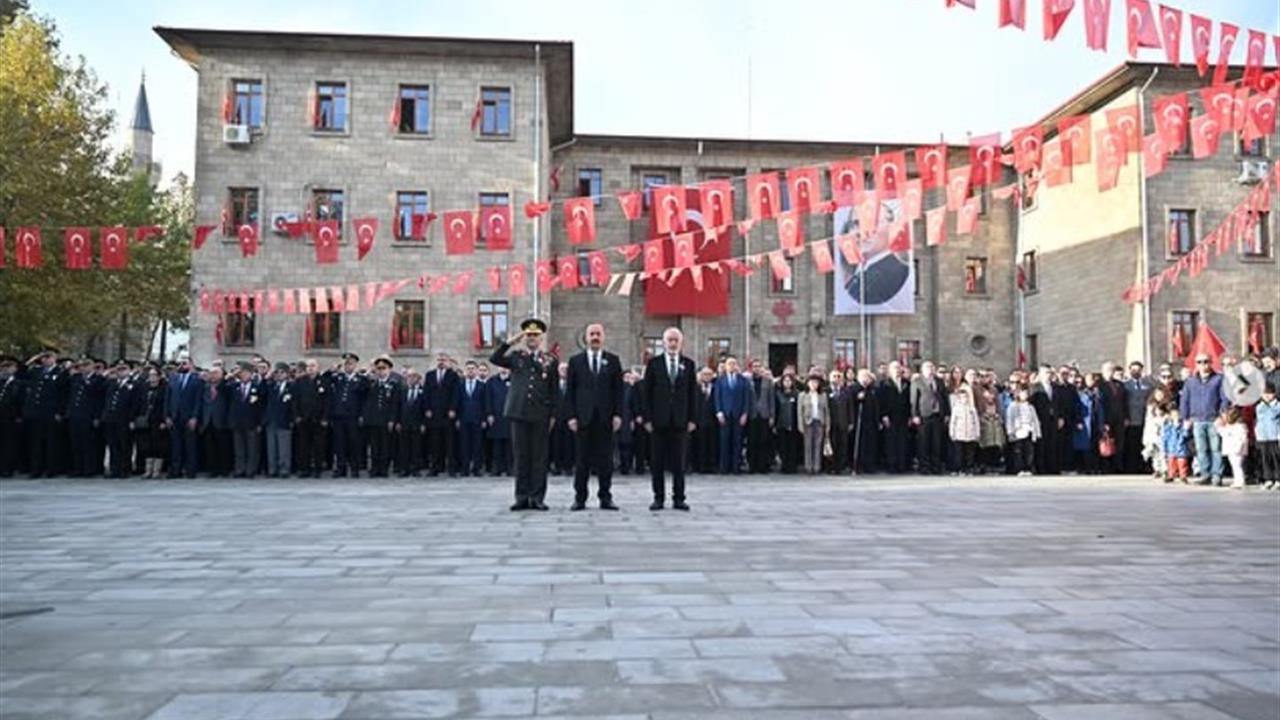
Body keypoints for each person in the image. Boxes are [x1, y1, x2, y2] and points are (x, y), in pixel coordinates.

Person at [490, 318, 559, 511]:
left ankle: (537, 497)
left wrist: (553, 414)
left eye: (535, 336)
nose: (532, 339)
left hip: (541, 414)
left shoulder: (549, 360)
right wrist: (511, 342)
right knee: (521, 457)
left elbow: (554, 390)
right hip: (519, 412)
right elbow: (494, 358)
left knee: (539, 457)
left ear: (541, 338)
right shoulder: (516, 356)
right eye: (528, 335)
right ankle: (521, 496)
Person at [565, 322, 624, 510]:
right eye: (592, 334)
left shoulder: (613, 360)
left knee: (605, 460)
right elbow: (570, 392)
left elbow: (618, 391)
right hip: (583, 418)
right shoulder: (575, 361)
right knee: (581, 460)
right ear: (586, 337)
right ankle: (580, 498)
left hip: (606, 418)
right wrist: (571, 416)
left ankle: (605, 497)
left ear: (603, 337)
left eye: (598, 334)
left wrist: (618, 414)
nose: (595, 337)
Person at [641, 327, 697, 511]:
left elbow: (692, 394)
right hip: (658, 421)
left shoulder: (688, 364)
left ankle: (679, 498)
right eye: (670, 340)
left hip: (680, 421)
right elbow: (646, 393)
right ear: (664, 342)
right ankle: (658, 497)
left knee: (679, 463)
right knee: (657, 462)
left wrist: (692, 418)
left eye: (676, 340)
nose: (673, 343)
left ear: (681, 343)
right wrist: (647, 419)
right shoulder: (654, 364)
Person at [1179, 353, 1226, 486]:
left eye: (1206, 361)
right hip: (1197, 420)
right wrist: (1185, 418)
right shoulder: (1190, 381)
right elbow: (1185, 401)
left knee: (1216, 449)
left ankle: (1217, 475)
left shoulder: (1219, 379)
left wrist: (1222, 415)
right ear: (1196, 364)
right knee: (1201, 449)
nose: (1203, 365)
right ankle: (1205, 474)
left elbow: (1224, 399)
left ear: (1211, 363)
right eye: (1199, 362)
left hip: (1213, 419)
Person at [21, 350, 68, 478]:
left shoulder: (61, 372)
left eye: (48, 357)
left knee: (51, 442)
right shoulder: (36, 371)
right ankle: (36, 469)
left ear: (55, 358)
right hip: (36, 412)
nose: (45, 360)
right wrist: (31, 360)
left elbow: (63, 394)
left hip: (51, 412)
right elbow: (21, 373)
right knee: (36, 442)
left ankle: (51, 469)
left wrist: (59, 411)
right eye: (43, 358)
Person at [327, 353, 367, 478]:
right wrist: (331, 371)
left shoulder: (361, 380)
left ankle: (354, 468)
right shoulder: (338, 378)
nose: (348, 366)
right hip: (339, 416)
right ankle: (340, 468)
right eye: (346, 364)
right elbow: (324, 381)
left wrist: (362, 415)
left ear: (355, 365)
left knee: (354, 443)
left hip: (353, 416)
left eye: (350, 364)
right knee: (339, 443)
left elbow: (364, 400)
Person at [165, 355, 204, 478]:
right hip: (175, 416)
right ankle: (176, 470)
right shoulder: (173, 379)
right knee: (176, 445)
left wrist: (194, 417)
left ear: (191, 365)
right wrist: (167, 415)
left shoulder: (197, 380)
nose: (182, 365)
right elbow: (168, 398)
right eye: (180, 363)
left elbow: (198, 400)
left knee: (190, 445)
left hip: (189, 417)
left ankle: (190, 471)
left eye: (185, 363)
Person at [67, 358, 106, 477]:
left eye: (86, 365)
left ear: (92, 367)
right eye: (82, 366)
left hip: (88, 416)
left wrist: (96, 417)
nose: (83, 368)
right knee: (76, 443)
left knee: (88, 444)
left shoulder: (98, 379)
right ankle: (78, 468)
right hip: (75, 414)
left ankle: (89, 469)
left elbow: (99, 399)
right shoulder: (76, 378)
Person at [363, 355, 401, 478]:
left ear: (389, 369)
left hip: (386, 420)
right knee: (374, 446)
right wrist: (369, 371)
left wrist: (392, 419)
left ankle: (384, 469)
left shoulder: (394, 384)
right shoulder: (372, 383)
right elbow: (364, 396)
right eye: (378, 368)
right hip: (373, 419)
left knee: (385, 446)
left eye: (383, 368)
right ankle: (374, 468)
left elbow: (395, 404)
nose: (381, 371)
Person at [713, 356, 751, 475]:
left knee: (737, 442)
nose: (731, 366)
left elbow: (746, 398)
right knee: (724, 442)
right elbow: (717, 397)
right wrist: (719, 413)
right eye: (729, 364)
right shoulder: (720, 380)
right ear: (725, 366)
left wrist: (745, 413)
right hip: (725, 414)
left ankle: (736, 467)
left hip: (738, 415)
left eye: (734, 364)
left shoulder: (743, 380)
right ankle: (724, 467)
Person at [423, 353, 459, 477]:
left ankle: (451, 468)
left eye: (443, 360)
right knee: (435, 442)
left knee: (450, 442)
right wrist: (427, 408)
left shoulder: (453, 375)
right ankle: (436, 467)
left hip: (447, 413)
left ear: (448, 361)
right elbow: (426, 393)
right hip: (434, 413)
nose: (441, 362)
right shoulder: (430, 375)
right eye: (439, 360)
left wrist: (453, 409)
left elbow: (456, 394)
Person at [911, 361, 950, 475]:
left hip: (937, 415)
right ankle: (924, 467)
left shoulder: (939, 381)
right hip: (924, 415)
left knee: (936, 442)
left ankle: (936, 466)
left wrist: (947, 413)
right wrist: (915, 415)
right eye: (927, 367)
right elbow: (914, 400)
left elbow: (944, 397)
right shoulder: (917, 382)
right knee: (924, 442)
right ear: (923, 370)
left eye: (932, 367)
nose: (930, 369)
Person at [227, 361, 264, 478]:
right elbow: (222, 388)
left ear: (249, 373)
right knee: (239, 448)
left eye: (243, 372)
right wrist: (232, 376)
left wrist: (259, 422)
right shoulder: (234, 387)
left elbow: (261, 407)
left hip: (252, 421)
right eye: (240, 373)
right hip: (237, 422)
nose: (241, 375)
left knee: (252, 448)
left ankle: (250, 470)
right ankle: (240, 469)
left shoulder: (256, 387)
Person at [291, 360, 327, 478]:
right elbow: (295, 400)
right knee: (303, 445)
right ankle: (304, 469)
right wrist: (296, 416)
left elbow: (328, 401)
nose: (310, 368)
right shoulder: (299, 382)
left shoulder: (324, 381)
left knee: (319, 446)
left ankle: (317, 469)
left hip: (318, 419)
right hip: (303, 418)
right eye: (308, 366)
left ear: (318, 367)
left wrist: (325, 417)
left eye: (313, 366)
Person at [197, 365, 231, 477]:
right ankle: (213, 469)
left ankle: (224, 469)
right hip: (208, 420)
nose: (213, 375)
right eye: (211, 373)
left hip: (221, 421)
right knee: (210, 447)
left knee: (224, 446)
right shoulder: (205, 387)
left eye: (216, 373)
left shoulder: (226, 386)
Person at [136, 365, 168, 479]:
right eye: (150, 375)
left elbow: (166, 404)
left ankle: (156, 470)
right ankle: (148, 469)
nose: (152, 377)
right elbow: (140, 403)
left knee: (158, 445)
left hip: (158, 420)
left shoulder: (164, 388)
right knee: (146, 445)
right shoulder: (144, 388)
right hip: (146, 420)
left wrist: (164, 419)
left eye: (154, 375)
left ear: (159, 377)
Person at [879, 361, 911, 473]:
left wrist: (910, 416)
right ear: (890, 370)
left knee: (902, 441)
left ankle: (901, 465)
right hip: (890, 417)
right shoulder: (884, 384)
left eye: (899, 368)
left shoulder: (907, 383)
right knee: (890, 442)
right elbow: (881, 401)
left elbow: (909, 401)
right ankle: (891, 466)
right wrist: (883, 415)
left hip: (903, 416)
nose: (897, 370)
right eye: (895, 368)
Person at [458, 360, 489, 477]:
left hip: (478, 419)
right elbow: (458, 403)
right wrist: (458, 418)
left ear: (476, 371)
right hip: (464, 419)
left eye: (472, 369)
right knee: (464, 444)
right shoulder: (460, 385)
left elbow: (485, 403)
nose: (470, 371)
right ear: (466, 371)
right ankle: (465, 468)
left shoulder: (482, 386)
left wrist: (484, 419)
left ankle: (476, 468)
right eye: (468, 369)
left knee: (477, 445)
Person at [263, 362, 294, 478]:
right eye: (277, 372)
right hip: (271, 419)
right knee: (271, 447)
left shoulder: (291, 387)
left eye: (282, 372)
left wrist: (292, 419)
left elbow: (293, 405)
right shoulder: (271, 386)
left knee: (284, 447)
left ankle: (284, 468)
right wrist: (268, 377)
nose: (279, 375)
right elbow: (262, 393)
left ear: (287, 374)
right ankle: (272, 468)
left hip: (284, 420)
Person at [948, 369, 981, 476]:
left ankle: (969, 468)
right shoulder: (956, 409)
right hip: (959, 434)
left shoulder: (972, 409)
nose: (964, 399)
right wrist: (952, 433)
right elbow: (953, 421)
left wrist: (977, 433)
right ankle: (959, 468)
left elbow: (976, 421)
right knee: (959, 453)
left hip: (970, 434)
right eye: (962, 397)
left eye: (966, 397)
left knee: (969, 453)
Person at [396, 369, 427, 476]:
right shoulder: (403, 391)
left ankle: (415, 469)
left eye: (414, 376)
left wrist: (423, 423)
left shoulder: (423, 392)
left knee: (416, 448)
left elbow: (425, 409)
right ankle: (404, 469)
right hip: (404, 423)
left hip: (417, 423)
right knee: (404, 447)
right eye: (409, 376)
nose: (411, 379)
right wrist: (398, 422)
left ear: (418, 378)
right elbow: (398, 407)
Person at [1122, 361, 1153, 474]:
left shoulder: (1148, 384)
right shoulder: (1125, 385)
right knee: (1132, 445)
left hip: (1145, 419)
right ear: (1129, 370)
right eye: (1133, 370)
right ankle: (1132, 468)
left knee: (1144, 443)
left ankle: (1145, 467)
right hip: (1131, 419)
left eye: (1138, 370)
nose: (1136, 372)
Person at [1004, 384, 1040, 476]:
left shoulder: (1030, 406)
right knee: (1018, 452)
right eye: (1023, 393)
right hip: (1018, 432)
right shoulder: (1013, 406)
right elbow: (1010, 419)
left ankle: (1028, 467)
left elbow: (1035, 420)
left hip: (1029, 431)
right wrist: (1010, 432)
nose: (1025, 395)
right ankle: (1019, 468)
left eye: (1026, 393)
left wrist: (1037, 432)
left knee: (1029, 452)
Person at [747, 360, 776, 473]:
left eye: (759, 366)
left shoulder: (768, 382)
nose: (757, 368)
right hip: (752, 415)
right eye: (755, 366)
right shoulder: (748, 381)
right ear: (751, 368)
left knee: (764, 442)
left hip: (764, 415)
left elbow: (771, 399)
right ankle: (752, 466)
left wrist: (772, 416)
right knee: (752, 442)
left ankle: (763, 466)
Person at [1071, 373, 1103, 475]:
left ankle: (1096, 467)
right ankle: (1086, 467)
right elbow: (1077, 409)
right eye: (1089, 379)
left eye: (1093, 379)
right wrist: (1078, 421)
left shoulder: (1098, 393)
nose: (1092, 381)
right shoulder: (1080, 394)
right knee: (1085, 447)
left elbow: (1101, 409)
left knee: (1095, 445)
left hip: (1096, 422)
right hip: (1085, 423)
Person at [799, 374, 830, 475]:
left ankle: (817, 467)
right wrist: (800, 425)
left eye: (816, 383)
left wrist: (827, 424)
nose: (814, 384)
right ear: (808, 384)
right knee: (808, 445)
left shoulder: (822, 395)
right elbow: (800, 412)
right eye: (811, 382)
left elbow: (826, 411)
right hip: (807, 422)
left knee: (818, 445)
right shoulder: (803, 395)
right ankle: (808, 467)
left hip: (819, 421)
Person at [851, 368, 880, 474]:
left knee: (871, 444)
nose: (865, 379)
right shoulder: (854, 388)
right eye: (863, 377)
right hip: (859, 421)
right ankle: (858, 465)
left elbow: (877, 406)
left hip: (871, 421)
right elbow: (851, 405)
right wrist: (857, 399)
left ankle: (870, 465)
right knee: (860, 443)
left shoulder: (873, 389)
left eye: (867, 377)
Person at [0, 357, 25, 477]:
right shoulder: (1, 383)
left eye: (9, 367)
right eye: (4, 367)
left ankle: (8, 468)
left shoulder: (18, 384)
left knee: (9, 443)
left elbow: (21, 401)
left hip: (11, 416)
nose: (6, 370)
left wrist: (19, 415)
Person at [1141, 387, 1171, 482]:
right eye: (1157, 394)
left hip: (1163, 432)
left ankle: (1165, 470)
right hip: (1152, 432)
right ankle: (1157, 469)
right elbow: (1148, 420)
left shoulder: (1168, 405)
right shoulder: (1151, 406)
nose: (1159, 396)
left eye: (1161, 394)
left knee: (1164, 452)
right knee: (1155, 452)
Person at [486, 367, 511, 477]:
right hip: (496, 417)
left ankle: (510, 468)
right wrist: (489, 413)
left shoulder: (514, 379)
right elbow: (488, 399)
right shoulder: (492, 381)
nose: (503, 369)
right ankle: (497, 468)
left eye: (506, 367)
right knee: (497, 445)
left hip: (510, 417)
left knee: (510, 445)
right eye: (501, 367)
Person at [692, 368, 719, 473]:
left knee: (712, 444)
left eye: (709, 374)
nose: (707, 376)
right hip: (700, 420)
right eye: (705, 374)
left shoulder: (716, 387)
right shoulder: (695, 388)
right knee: (700, 444)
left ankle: (711, 465)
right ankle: (700, 466)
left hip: (713, 420)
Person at [774, 373, 801, 474]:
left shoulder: (797, 394)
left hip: (793, 423)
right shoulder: (778, 394)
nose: (787, 383)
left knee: (793, 446)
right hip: (781, 423)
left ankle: (792, 466)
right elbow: (776, 409)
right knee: (783, 446)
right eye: (785, 381)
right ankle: (784, 465)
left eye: (789, 381)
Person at [1216, 407, 1249, 490]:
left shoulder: (1240, 426)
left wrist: (1239, 448)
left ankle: (1240, 481)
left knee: (1237, 465)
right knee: (1234, 465)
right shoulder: (1228, 426)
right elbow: (1222, 432)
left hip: (1237, 450)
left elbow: (1242, 439)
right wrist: (1218, 425)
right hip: (1230, 449)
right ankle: (1237, 480)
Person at [1255, 382, 1279, 490]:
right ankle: (1268, 478)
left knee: (1276, 459)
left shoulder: (1277, 406)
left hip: (1275, 436)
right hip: (1263, 437)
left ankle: (1278, 479)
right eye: (1265, 394)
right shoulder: (1259, 406)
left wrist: (1273, 404)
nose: (1267, 396)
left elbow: (1273, 413)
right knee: (1265, 459)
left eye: (1270, 393)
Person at [827, 370, 851, 473]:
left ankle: (840, 467)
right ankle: (831, 467)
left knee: (843, 445)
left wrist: (851, 422)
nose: (836, 378)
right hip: (831, 423)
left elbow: (850, 408)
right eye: (834, 376)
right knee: (832, 445)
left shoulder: (846, 392)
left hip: (843, 422)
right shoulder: (826, 391)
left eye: (838, 376)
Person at [1162, 408, 1191, 484]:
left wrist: (1186, 429)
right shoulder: (1168, 426)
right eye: (1174, 415)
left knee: (1182, 463)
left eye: (1177, 415)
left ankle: (1183, 476)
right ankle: (1171, 475)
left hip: (1181, 448)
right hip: (1171, 448)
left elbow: (1186, 435)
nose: (1176, 417)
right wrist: (1165, 448)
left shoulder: (1182, 426)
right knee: (1171, 463)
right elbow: (1165, 437)